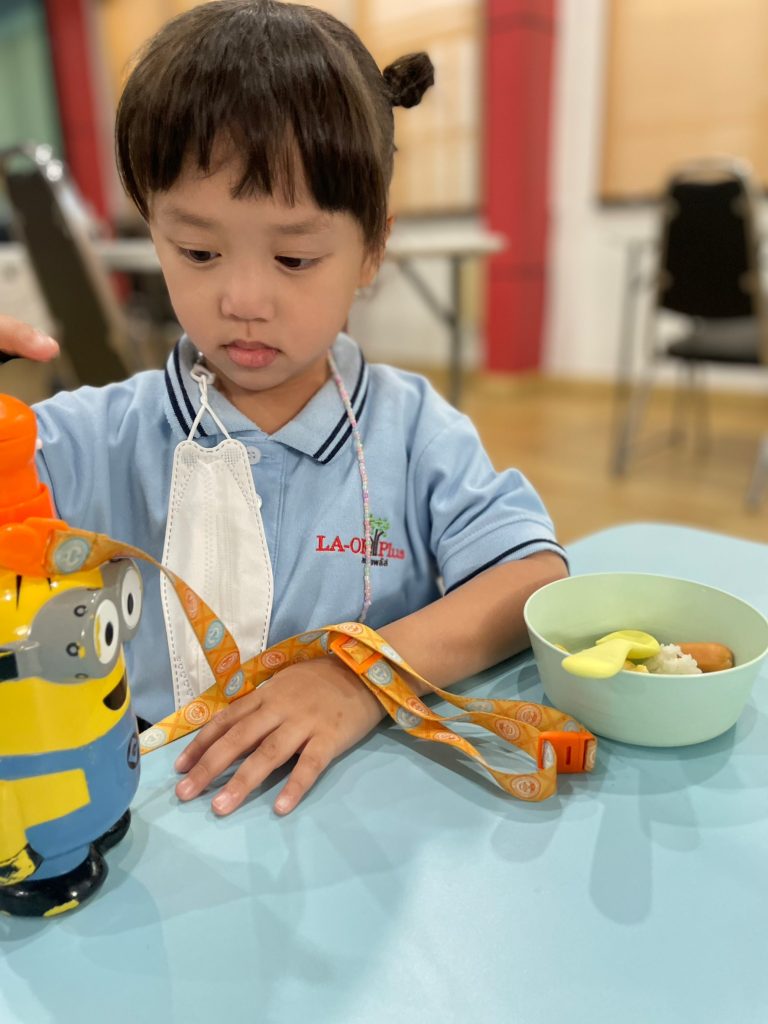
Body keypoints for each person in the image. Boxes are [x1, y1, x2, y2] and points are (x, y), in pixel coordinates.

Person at [0, 0, 567, 818]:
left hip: (361, 808)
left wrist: (359, 676)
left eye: (295, 257)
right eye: (198, 251)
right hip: (154, 813)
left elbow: (531, 577)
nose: (242, 299)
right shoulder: (99, 435)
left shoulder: (412, 432)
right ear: (154, 233)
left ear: (372, 248)